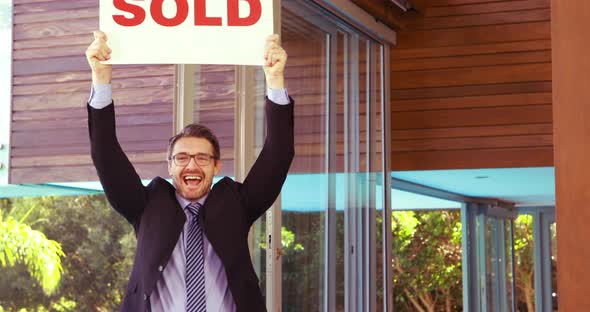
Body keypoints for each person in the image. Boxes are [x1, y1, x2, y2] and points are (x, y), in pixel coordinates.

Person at [85, 31, 294, 312]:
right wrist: (101, 79)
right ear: (169, 165)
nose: (192, 165)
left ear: (217, 165)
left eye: (202, 158)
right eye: (181, 157)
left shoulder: (237, 204)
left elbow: (278, 154)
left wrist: (275, 81)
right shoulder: (146, 205)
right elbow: (105, 154)